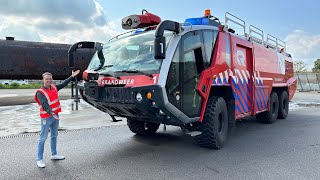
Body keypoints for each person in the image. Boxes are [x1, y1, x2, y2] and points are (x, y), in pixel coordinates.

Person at [34, 70, 80, 168]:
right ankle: (39, 159)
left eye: (50, 79)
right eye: (47, 79)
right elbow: (45, 105)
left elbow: (63, 84)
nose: (49, 80)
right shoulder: (40, 92)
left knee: (54, 136)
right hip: (46, 118)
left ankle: (54, 154)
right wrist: (51, 113)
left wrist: (72, 76)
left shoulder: (54, 87)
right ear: (43, 80)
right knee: (42, 138)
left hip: (55, 116)